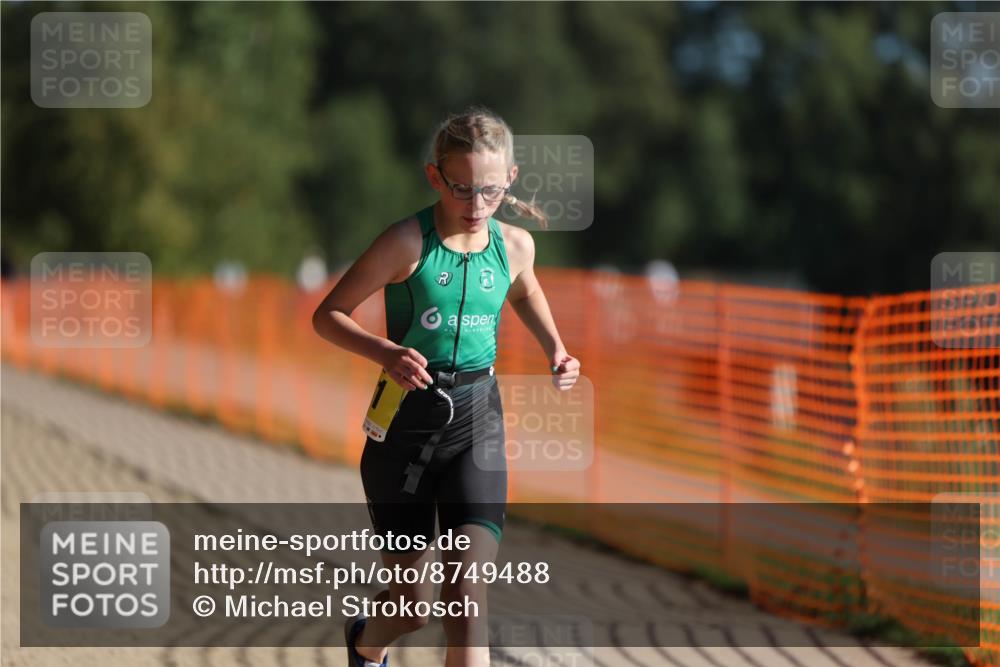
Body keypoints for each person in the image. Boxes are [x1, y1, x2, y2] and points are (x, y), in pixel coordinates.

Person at [312, 106, 581, 667]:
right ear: (435, 176)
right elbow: (328, 314)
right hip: (403, 428)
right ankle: (366, 640)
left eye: (489, 190)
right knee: (412, 605)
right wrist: (385, 352)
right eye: (462, 189)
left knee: (465, 598)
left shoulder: (515, 245)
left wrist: (555, 347)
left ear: (510, 177)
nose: (477, 205)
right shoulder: (405, 242)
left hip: (477, 420)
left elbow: (525, 290)